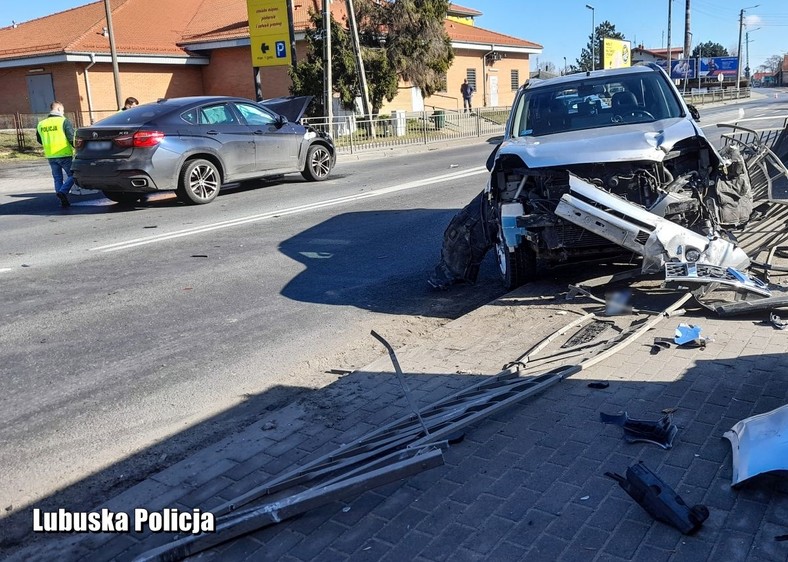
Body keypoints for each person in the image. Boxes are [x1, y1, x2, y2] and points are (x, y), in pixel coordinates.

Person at [36, 101, 75, 208]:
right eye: (62, 110)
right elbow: (71, 137)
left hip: (51, 155)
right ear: (58, 109)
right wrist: (78, 148)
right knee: (73, 175)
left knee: (57, 178)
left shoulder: (41, 124)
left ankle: (62, 199)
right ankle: (63, 192)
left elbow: (39, 139)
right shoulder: (63, 121)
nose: (63, 113)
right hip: (64, 154)